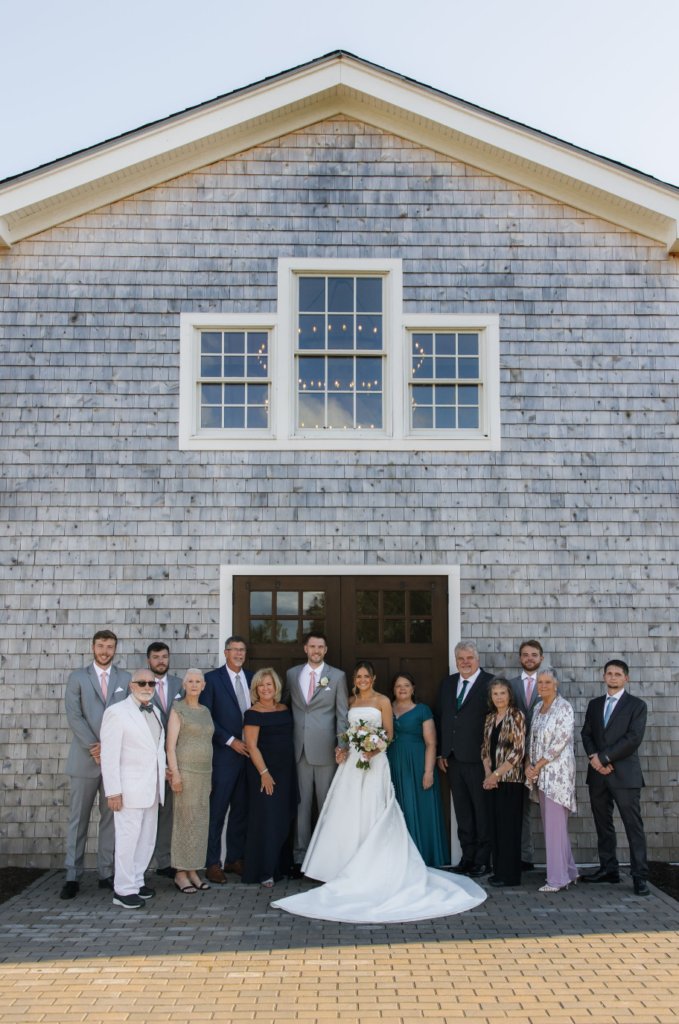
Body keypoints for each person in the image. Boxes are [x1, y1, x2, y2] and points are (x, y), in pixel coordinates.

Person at [271, 662, 487, 923]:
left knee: (374, 810)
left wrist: (373, 749)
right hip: (352, 764)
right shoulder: (349, 700)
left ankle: (375, 866)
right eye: (358, 676)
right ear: (354, 679)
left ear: (373, 677)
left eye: (366, 676)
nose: (362, 679)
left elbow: (388, 734)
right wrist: (343, 750)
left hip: (375, 762)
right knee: (347, 812)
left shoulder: (383, 700)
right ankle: (340, 866)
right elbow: (344, 731)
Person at [61, 629, 130, 900]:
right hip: (84, 759)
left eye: (110, 646)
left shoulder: (125, 678)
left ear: (115, 649)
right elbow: (74, 716)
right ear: (92, 647)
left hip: (115, 762)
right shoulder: (77, 678)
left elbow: (128, 715)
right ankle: (72, 875)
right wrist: (95, 747)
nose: (105, 651)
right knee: (78, 820)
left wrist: (111, 749)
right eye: (100, 646)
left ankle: (106, 872)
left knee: (110, 819)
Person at [281, 631, 349, 874]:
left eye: (320, 646)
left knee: (327, 805)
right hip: (298, 750)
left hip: (326, 753)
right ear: (305, 649)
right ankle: (300, 858)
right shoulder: (292, 675)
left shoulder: (337, 677)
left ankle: (328, 856)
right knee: (301, 807)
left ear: (326, 650)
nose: (316, 650)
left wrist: (343, 746)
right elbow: (284, 706)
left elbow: (342, 715)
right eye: (312, 646)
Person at [581, 660, 649, 896]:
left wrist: (605, 759)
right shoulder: (595, 704)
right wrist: (596, 760)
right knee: (603, 825)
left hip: (625, 776)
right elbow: (586, 733)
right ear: (603, 676)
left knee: (633, 827)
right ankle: (609, 869)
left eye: (618, 674)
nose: (613, 677)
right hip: (598, 775)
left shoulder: (637, 706)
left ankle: (640, 876)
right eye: (609, 674)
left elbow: (633, 739)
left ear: (625, 679)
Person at [100, 670, 167, 909]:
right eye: (142, 683)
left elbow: (157, 750)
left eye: (150, 683)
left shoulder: (156, 711)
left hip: (152, 788)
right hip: (128, 789)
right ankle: (123, 890)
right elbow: (109, 756)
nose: (147, 686)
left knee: (146, 840)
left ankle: (137, 881)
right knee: (128, 840)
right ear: (131, 686)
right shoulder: (116, 713)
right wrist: (113, 791)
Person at [435, 640, 494, 877]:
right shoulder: (448, 684)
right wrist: (441, 751)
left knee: (482, 811)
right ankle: (467, 858)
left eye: (469, 658)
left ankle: (483, 860)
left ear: (477, 660)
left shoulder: (491, 683)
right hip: (453, 759)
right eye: (461, 658)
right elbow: (441, 716)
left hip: (480, 761)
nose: (465, 662)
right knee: (463, 812)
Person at [200, 636, 253, 883]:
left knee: (241, 811)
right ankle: (212, 863)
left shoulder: (253, 678)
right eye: (235, 650)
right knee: (217, 812)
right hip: (224, 756)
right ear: (226, 652)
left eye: (242, 650)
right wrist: (231, 741)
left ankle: (234, 859)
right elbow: (207, 718)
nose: (239, 653)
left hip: (250, 757)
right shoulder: (211, 680)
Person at [242, 669, 299, 887]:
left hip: (285, 772)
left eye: (269, 684)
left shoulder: (284, 709)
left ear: (275, 687)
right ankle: (264, 871)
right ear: (256, 689)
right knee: (266, 819)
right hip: (264, 772)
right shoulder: (253, 713)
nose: (266, 689)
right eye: (261, 685)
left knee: (282, 818)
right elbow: (252, 746)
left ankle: (280, 866)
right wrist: (264, 774)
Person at [525, 668, 578, 893]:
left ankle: (557, 879)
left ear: (556, 684)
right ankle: (569, 871)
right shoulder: (538, 707)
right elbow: (532, 739)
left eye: (548, 682)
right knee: (552, 827)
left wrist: (537, 766)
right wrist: (529, 764)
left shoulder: (564, 707)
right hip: (539, 773)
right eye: (540, 682)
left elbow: (560, 742)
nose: (543, 686)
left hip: (557, 774)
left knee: (555, 827)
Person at [387, 673, 448, 867]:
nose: (402, 689)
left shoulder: (422, 710)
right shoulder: (385, 708)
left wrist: (428, 772)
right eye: (398, 686)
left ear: (413, 688)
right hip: (391, 763)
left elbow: (431, 743)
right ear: (393, 689)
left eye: (406, 685)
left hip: (416, 766)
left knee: (418, 810)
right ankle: (396, 858)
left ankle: (422, 857)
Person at [165, 669, 214, 894]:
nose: (194, 685)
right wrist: (175, 774)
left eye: (198, 682)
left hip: (204, 774)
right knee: (184, 823)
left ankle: (193, 870)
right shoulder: (178, 709)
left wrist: (211, 776)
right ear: (184, 685)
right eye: (190, 681)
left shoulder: (205, 711)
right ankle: (180, 874)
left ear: (203, 686)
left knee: (199, 823)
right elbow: (170, 745)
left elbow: (209, 745)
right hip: (185, 773)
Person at [481, 678, 526, 888]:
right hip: (493, 781)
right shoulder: (490, 718)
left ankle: (510, 876)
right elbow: (484, 749)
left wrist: (496, 775)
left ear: (509, 695)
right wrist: (488, 773)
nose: (499, 697)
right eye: (495, 694)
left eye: (502, 693)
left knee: (509, 829)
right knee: (496, 827)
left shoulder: (516, 716)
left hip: (510, 781)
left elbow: (518, 752)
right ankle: (498, 871)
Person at [147, 641, 185, 880]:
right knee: (147, 811)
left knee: (169, 813)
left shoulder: (179, 685)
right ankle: (139, 863)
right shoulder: (141, 683)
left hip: (174, 758)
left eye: (164, 656)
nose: (161, 661)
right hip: (148, 758)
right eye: (156, 657)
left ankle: (164, 861)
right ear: (148, 660)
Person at [508, 639, 544, 870]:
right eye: (525, 654)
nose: (529, 658)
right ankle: (524, 857)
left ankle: (557, 860)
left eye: (534, 654)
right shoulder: (510, 685)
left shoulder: (548, 683)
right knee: (521, 809)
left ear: (541, 658)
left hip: (544, 756)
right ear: (520, 659)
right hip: (516, 756)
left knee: (548, 806)